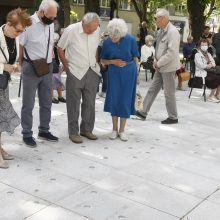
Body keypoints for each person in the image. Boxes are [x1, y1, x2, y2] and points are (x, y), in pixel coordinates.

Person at [19, 0, 59, 147]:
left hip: (47, 67)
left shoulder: (49, 24)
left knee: (47, 102)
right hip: (30, 67)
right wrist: (20, 64)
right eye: (50, 16)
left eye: (54, 16)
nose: (53, 19)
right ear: (42, 12)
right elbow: (21, 45)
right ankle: (27, 134)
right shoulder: (28, 23)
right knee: (28, 104)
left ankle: (44, 130)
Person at [57, 13, 100, 144]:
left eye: (94, 29)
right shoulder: (71, 30)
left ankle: (86, 130)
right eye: (89, 29)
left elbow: (96, 47)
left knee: (90, 103)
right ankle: (73, 132)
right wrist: (66, 65)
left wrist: (96, 61)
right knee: (73, 103)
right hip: (75, 71)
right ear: (83, 22)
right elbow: (60, 47)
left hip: (92, 70)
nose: (91, 31)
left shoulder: (96, 29)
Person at [136, 9, 180, 124]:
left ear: (164, 18)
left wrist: (158, 63)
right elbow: (158, 48)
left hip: (168, 67)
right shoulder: (161, 30)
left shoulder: (173, 32)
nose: (155, 20)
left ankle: (173, 117)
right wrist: (156, 60)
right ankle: (143, 112)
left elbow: (172, 52)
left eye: (157, 18)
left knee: (168, 93)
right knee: (152, 89)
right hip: (160, 66)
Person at [0, 8, 32, 168]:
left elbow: (10, 58)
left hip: (2, 85)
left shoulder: (15, 38)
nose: (19, 33)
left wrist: (14, 66)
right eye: (18, 30)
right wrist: (3, 67)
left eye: (22, 31)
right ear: (8, 24)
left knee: (1, 118)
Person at [101, 18, 139, 141]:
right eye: (111, 36)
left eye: (116, 37)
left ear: (122, 34)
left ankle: (122, 130)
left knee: (125, 100)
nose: (113, 39)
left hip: (129, 72)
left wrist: (137, 75)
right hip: (114, 73)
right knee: (114, 99)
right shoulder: (106, 42)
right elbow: (102, 61)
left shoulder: (131, 39)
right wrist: (113, 61)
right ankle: (114, 129)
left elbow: (135, 57)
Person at [52, 32, 66, 104]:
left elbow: (57, 57)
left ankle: (60, 96)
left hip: (54, 62)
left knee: (58, 79)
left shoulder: (55, 47)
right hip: (46, 62)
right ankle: (51, 96)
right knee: (50, 79)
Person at [97, 31, 109, 98]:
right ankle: (100, 92)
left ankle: (102, 92)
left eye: (107, 35)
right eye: (106, 35)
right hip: (102, 62)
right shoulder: (101, 44)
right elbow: (98, 53)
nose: (106, 37)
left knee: (104, 77)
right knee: (99, 78)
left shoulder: (101, 43)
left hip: (105, 63)